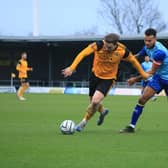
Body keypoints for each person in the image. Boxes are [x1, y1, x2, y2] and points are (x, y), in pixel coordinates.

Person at [62, 33, 148, 132]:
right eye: (105, 46)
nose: (106, 48)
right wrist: (72, 68)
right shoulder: (98, 45)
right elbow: (83, 53)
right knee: (93, 102)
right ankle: (102, 111)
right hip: (95, 76)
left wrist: (143, 74)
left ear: (116, 44)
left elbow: (133, 61)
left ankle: (83, 122)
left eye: (109, 47)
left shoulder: (122, 50)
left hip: (108, 79)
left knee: (95, 101)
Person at [120, 28, 168, 133]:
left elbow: (151, 72)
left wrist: (134, 79)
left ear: (155, 39)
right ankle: (131, 127)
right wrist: (123, 58)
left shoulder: (159, 52)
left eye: (149, 41)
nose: (146, 43)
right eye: (145, 40)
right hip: (159, 78)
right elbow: (136, 56)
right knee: (142, 99)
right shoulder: (147, 47)